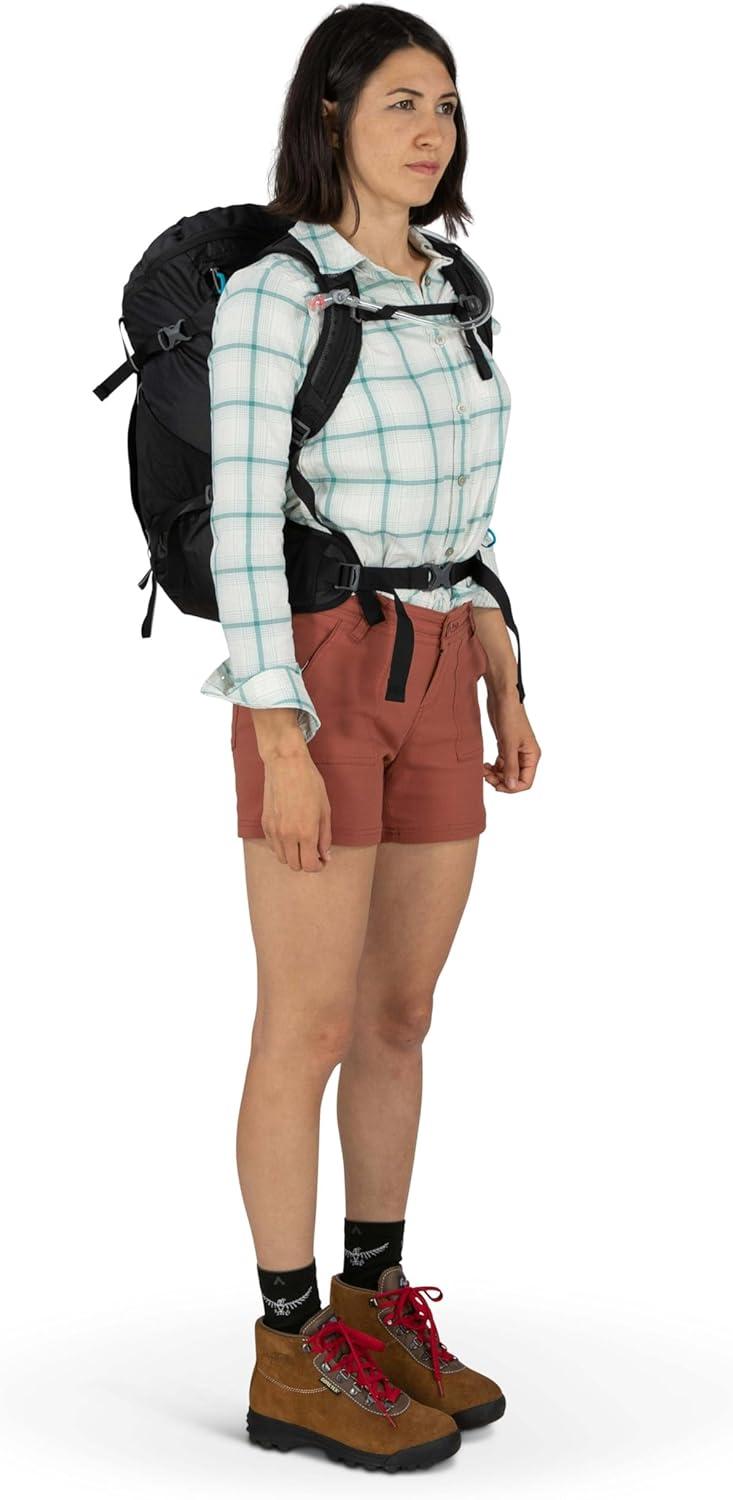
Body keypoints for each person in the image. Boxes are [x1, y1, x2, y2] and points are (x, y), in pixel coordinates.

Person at [201, 3, 541, 1473]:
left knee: (400, 1014)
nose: (431, 130)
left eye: (447, 104)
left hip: (445, 657)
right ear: (332, 113)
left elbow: (468, 509)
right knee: (311, 1021)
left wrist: (506, 666)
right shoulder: (279, 293)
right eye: (402, 100)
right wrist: (277, 734)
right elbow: (240, 526)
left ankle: (373, 1298)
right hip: (323, 663)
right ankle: (290, 1349)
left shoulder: (455, 288)